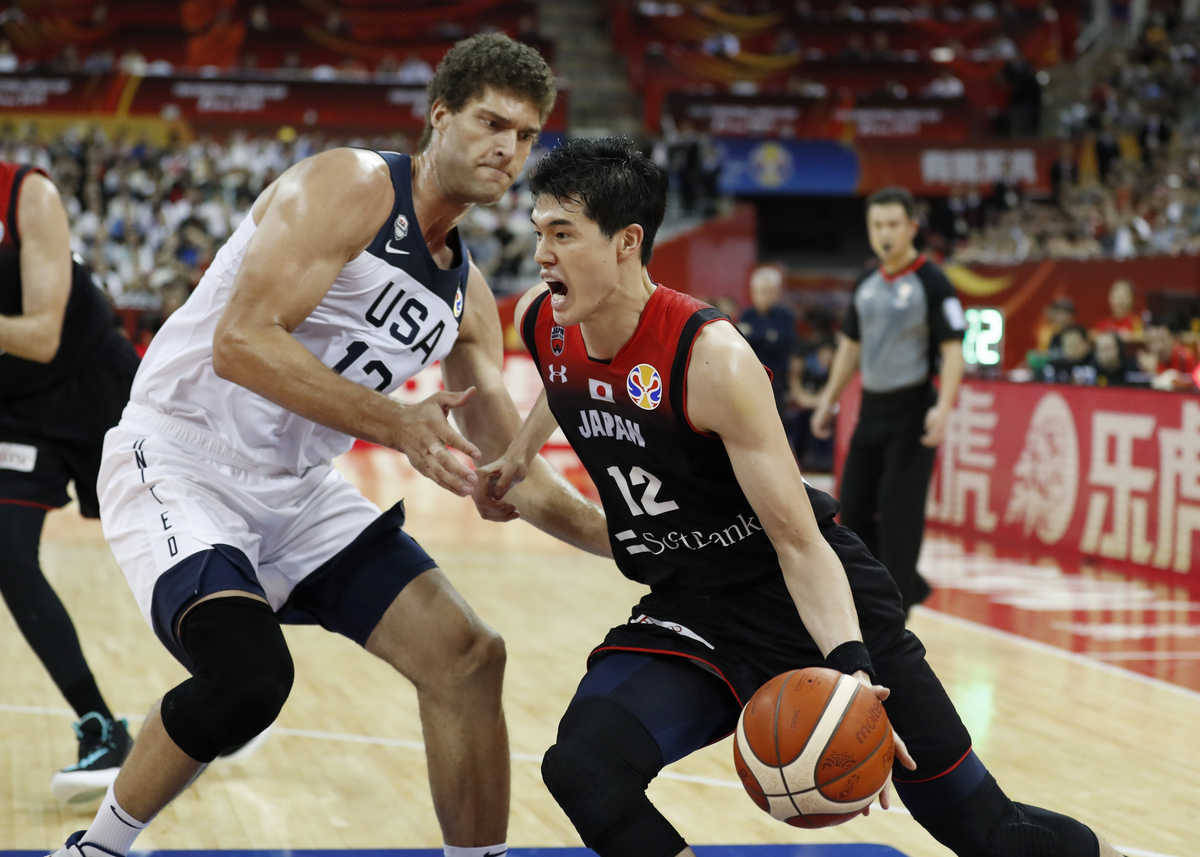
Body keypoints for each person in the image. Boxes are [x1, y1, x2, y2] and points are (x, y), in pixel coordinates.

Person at [476, 137, 1125, 857]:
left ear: (628, 241)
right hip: (695, 607)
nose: (541, 254)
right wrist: (520, 454)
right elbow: (565, 379)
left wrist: (853, 666)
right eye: (539, 231)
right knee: (584, 767)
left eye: (562, 234)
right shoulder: (544, 320)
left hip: (810, 600)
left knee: (993, 835)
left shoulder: (711, 359)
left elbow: (799, 542)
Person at [51, 33, 608, 857]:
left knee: (467, 655)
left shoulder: (467, 297)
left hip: (299, 490)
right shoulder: (351, 185)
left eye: (525, 135)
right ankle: (96, 848)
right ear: (440, 117)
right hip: (181, 456)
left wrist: (626, 538)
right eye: (491, 123)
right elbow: (240, 342)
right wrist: (396, 422)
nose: (508, 148)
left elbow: (508, 466)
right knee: (248, 680)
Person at [0, 160, 139, 803]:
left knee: (166, 547)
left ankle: (234, 680)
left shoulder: (25, 193)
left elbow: (41, 336)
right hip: (17, 409)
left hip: (93, 388)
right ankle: (100, 726)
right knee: (7, 552)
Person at [810, 187, 966, 613]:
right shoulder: (866, 283)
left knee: (899, 510)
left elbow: (954, 349)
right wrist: (827, 400)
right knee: (854, 505)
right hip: (872, 410)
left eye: (894, 224)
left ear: (912, 227)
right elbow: (850, 346)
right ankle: (882, 591)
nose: (885, 233)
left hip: (913, 410)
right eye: (877, 225)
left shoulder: (932, 281)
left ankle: (896, 609)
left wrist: (943, 408)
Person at [736, 265, 796, 416]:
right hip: (749, 377)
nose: (764, 296)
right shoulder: (746, 315)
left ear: (777, 293)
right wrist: (768, 336)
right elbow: (741, 345)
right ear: (752, 292)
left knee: (775, 417)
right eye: (760, 291)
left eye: (769, 291)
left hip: (777, 379)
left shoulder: (785, 316)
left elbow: (783, 346)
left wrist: (753, 334)